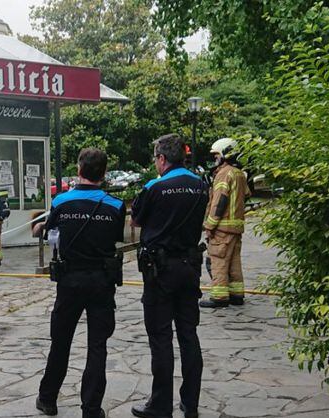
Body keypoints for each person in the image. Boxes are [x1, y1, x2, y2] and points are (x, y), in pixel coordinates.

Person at [34, 148, 125, 418]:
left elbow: (51, 231)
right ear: (104, 173)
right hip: (102, 282)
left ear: (79, 169)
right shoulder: (116, 206)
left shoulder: (61, 202)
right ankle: (91, 408)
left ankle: (48, 399)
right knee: (98, 346)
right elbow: (115, 239)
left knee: (60, 341)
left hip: (70, 281)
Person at [130, 134, 207, 418]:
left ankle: (161, 404)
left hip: (160, 271)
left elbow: (136, 219)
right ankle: (191, 403)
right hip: (189, 267)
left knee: (161, 337)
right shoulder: (201, 186)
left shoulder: (155, 186)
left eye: (155, 159)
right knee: (189, 334)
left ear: (162, 159)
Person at [201, 138, 252, 308]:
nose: (214, 160)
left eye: (216, 156)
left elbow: (220, 202)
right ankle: (237, 294)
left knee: (219, 261)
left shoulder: (223, 174)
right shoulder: (239, 173)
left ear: (224, 154)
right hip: (236, 228)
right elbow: (246, 195)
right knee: (234, 262)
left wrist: (209, 226)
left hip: (222, 228)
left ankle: (219, 297)